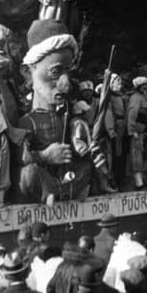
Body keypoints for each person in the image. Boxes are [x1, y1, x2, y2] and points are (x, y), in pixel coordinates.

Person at [15, 20, 93, 204]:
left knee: (87, 167)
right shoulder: (28, 121)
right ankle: (49, 193)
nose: (65, 84)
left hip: (66, 175)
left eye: (68, 72)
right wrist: (45, 156)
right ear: (28, 73)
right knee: (29, 174)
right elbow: (23, 157)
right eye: (56, 72)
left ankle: (69, 191)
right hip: (44, 177)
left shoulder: (68, 115)